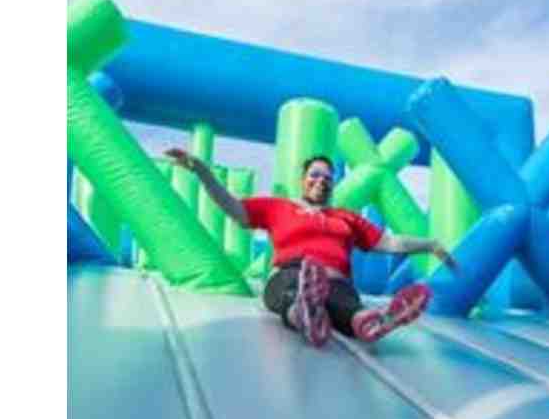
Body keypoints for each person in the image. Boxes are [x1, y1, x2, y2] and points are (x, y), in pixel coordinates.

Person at [165, 149, 459, 348]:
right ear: (303, 180)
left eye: (328, 178)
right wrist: (201, 171)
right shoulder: (278, 208)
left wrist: (430, 244)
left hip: (337, 283)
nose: (321, 181)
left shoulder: (346, 217)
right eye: (315, 175)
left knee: (347, 306)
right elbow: (232, 207)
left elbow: (390, 242)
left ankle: (368, 322)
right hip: (291, 273)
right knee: (291, 289)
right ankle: (304, 313)